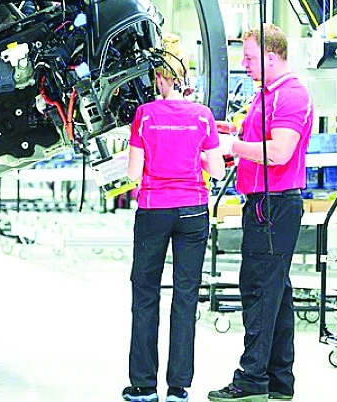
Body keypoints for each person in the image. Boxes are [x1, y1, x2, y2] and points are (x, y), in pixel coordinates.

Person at [208, 23, 313, 402]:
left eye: (250, 57)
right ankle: (279, 381)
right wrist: (228, 130)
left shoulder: (291, 96)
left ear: (271, 56)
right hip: (264, 204)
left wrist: (233, 146)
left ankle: (252, 380)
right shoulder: (266, 95)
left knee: (258, 292)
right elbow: (256, 135)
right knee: (277, 294)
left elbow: (280, 152)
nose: (244, 63)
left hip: (275, 205)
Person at [121, 34, 227, 402]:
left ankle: (143, 386)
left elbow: (133, 174)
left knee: (145, 293)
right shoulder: (204, 116)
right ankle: (178, 388)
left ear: (161, 79)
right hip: (194, 211)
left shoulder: (145, 115)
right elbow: (215, 167)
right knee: (186, 295)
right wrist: (192, 158)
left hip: (153, 210)